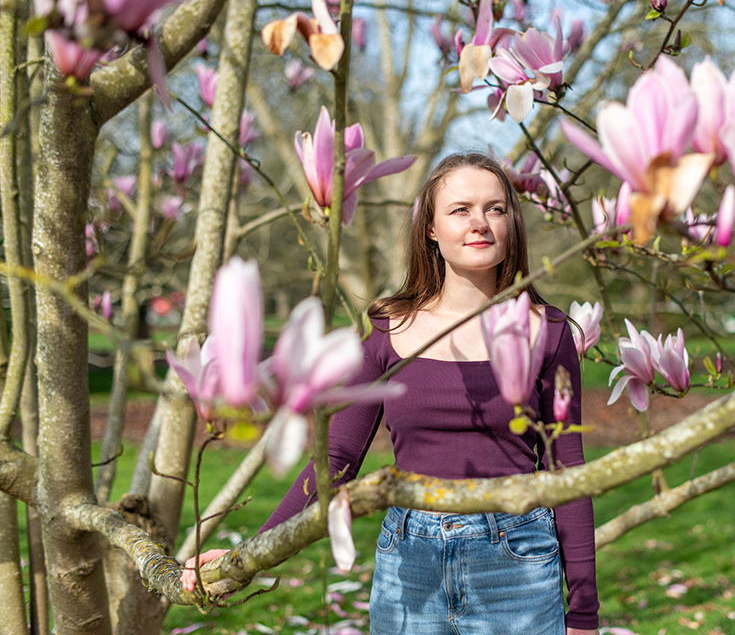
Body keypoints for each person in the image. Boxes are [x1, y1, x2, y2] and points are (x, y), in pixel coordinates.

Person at [182, 153, 600, 634]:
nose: (480, 223)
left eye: (496, 208)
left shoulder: (547, 332)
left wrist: (583, 612)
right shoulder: (389, 330)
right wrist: (247, 558)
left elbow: (568, 472)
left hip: (516, 561)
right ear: (431, 229)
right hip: (409, 559)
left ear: (512, 223)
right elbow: (337, 455)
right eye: (460, 209)